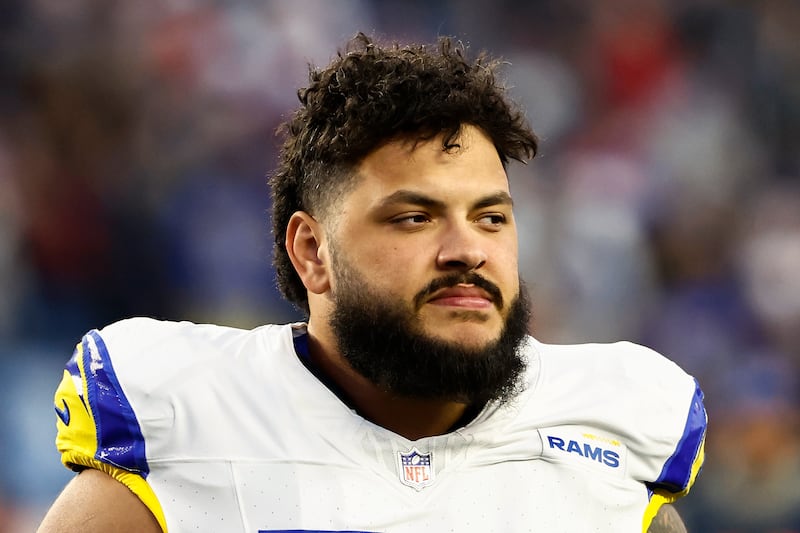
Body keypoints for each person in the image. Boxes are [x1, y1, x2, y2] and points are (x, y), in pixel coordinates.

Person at [38, 33, 706, 533]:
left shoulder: (607, 439)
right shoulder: (183, 432)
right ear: (312, 251)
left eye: (491, 217)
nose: (468, 251)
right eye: (415, 217)